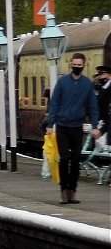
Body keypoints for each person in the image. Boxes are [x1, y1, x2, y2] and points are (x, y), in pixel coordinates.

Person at [45, 52, 100, 205]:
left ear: (83, 65)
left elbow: (92, 106)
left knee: (76, 160)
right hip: (62, 126)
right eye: (74, 65)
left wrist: (95, 126)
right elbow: (54, 103)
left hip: (77, 126)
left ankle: (72, 191)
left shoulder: (87, 84)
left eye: (79, 65)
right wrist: (51, 125)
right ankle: (63, 190)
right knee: (64, 159)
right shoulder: (62, 82)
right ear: (71, 64)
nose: (76, 67)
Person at [95, 65, 111, 149]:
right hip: (101, 122)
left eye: (101, 74)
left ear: (109, 74)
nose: (99, 76)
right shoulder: (103, 87)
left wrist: (102, 130)